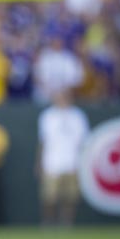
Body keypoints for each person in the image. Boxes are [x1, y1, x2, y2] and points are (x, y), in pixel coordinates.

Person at [36, 91, 89, 227]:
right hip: (52, 162)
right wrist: (39, 163)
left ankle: (67, 224)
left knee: (70, 197)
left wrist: (83, 163)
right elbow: (43, 141)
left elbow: (83, 142)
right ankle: (48, 223)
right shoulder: (48, 116)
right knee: (49, 196)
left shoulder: (78, 116)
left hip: (72, 162)